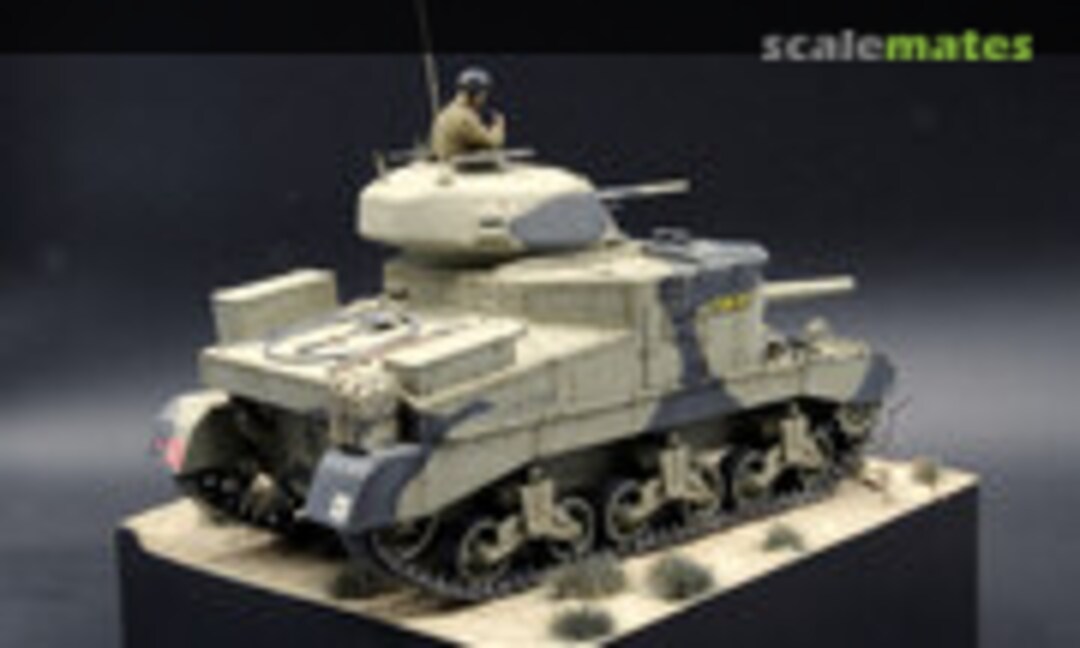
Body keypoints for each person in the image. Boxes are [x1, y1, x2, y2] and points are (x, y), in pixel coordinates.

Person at [430, 67, 506, 160]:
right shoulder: (464, 118)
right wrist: (498, 125)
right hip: (456, 166)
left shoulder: (447, 112)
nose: (484, 98)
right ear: (475, 94)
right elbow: (493, 143)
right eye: (483, 94)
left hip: (448, 163)